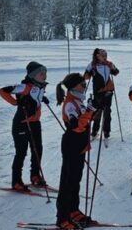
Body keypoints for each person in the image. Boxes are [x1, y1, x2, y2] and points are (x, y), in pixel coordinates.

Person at [53, 73, 97, 230]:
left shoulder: (79, 100)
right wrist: (89, 111)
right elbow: (76, 125)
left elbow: (85, 119)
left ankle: (73, 210)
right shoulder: (70, 104)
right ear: (73, 86)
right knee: (67, 182)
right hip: (72, 143)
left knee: (75, 180)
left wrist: (94, 108)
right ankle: (62, 218)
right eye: (81, 84)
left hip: (80, 144)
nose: (84, 86)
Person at [0, 61, 49, 190]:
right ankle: (16, 181)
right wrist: (16, 102)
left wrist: (42, 98)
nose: (44, 75)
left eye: (45, 73)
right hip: (21, 123)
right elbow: (2, 91)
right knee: (21, 152)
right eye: (41, 73)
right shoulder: (24, 87)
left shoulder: (41, 86)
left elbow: (35, 97)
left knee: (38, 150)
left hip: (35, 123)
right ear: (33, 75)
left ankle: (35, 176)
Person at [84, 48, 120, 139]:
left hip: (108, 91)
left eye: (105, 55)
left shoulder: (109, 64)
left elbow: (116, 72)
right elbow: (85, 77)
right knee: (97, 111)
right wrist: (90, 72)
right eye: (102, 55)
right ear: (97, 56)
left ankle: (106, 131)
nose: (104, 57)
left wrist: (113, 67)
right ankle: (95, 130)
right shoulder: (92, 65)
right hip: (98, 92)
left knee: (107, 111)